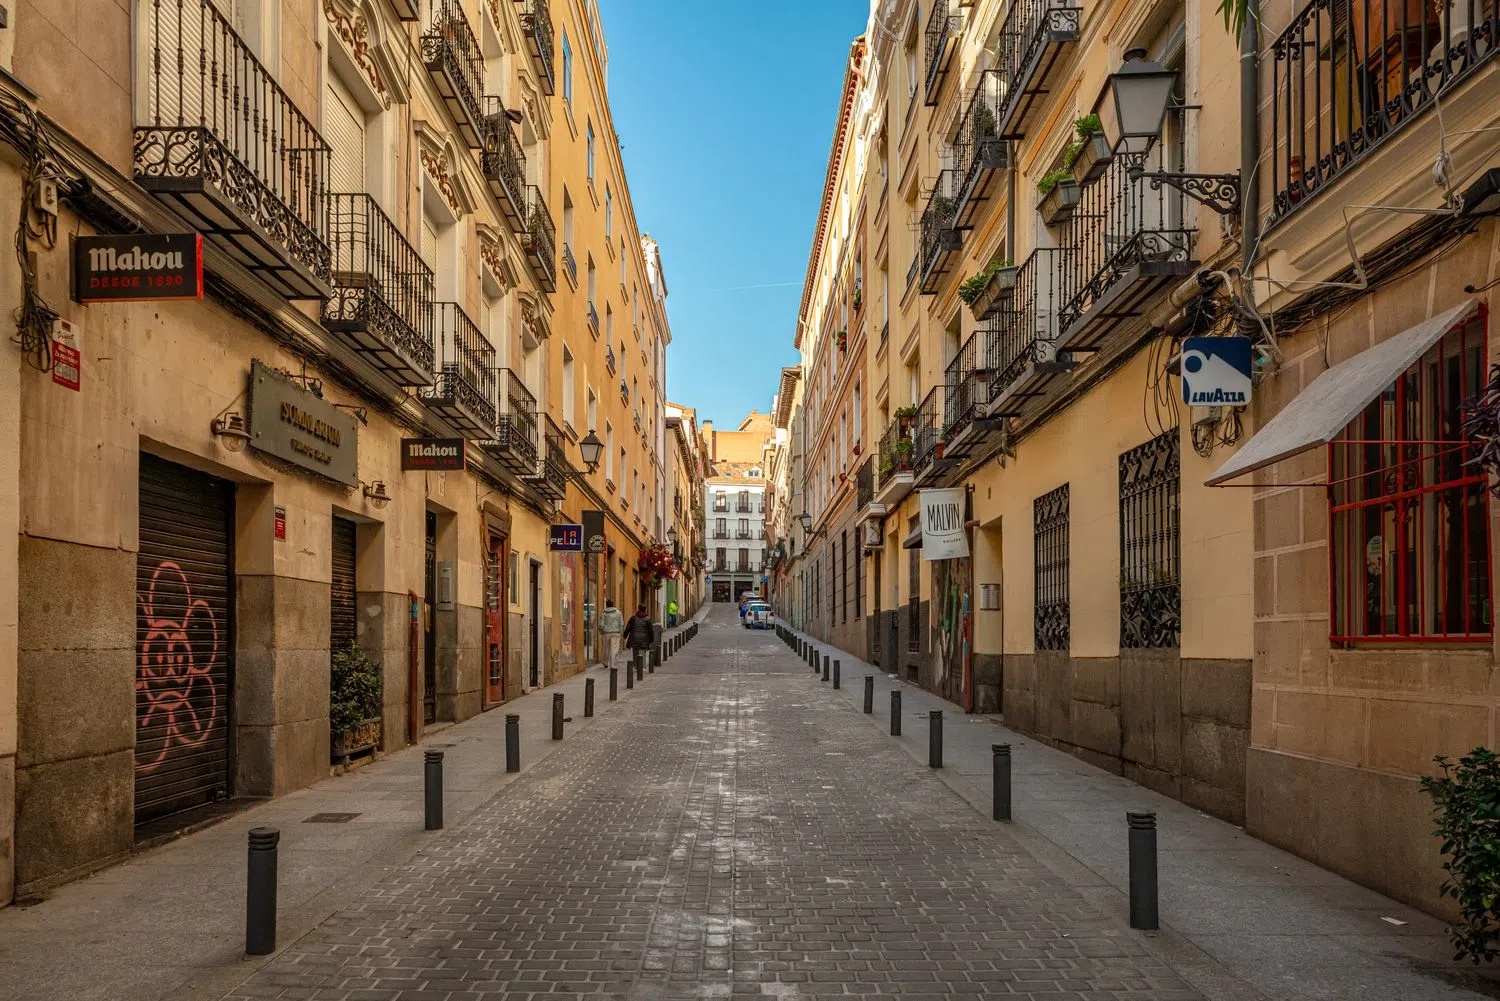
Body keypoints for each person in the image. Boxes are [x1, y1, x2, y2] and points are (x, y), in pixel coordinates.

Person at [599, 598, 623, 668]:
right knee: (614, 649)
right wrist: (621, 633)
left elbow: (601, 625)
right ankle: (613, 664)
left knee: (606, 648)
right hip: (616, 632)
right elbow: (621, 624)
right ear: (613, 605)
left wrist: (601, 631)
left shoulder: (604, 613)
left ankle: (605, 662)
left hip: (606, 633)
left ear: (606, 605)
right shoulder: (619, 613)